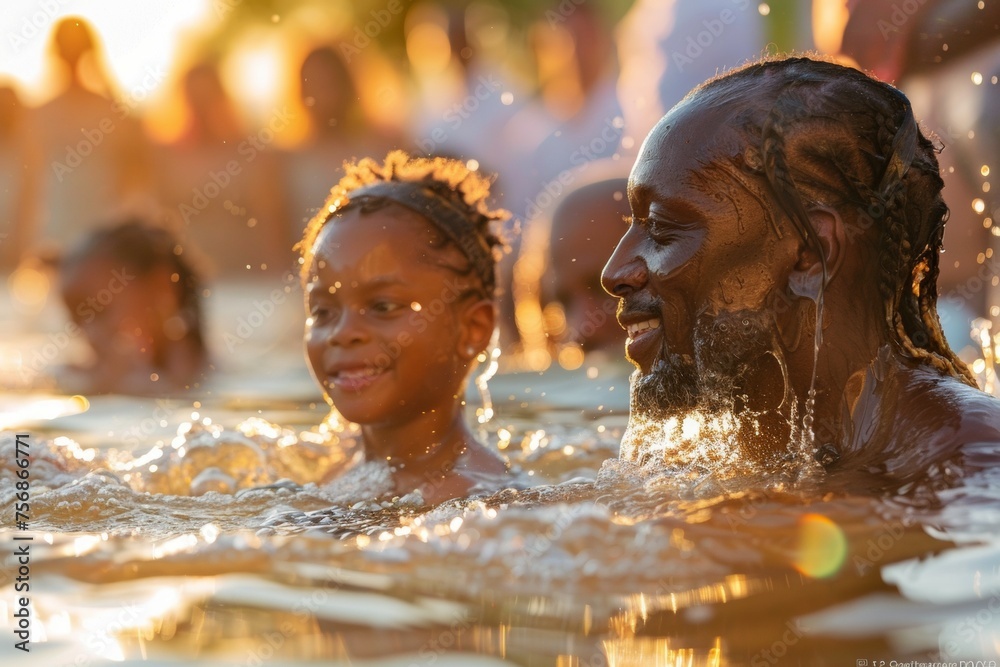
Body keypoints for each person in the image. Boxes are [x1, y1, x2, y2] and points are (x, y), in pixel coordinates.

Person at [600, 56, 1000, 491]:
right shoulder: (773, 442)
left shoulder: (971, 468)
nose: (615, 273)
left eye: (662, 227)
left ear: (811, 252)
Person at [298, 151, 511, 504]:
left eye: (382, 306)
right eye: (322, 311)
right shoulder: (333, 464)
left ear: (472, 329)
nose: (342, 332)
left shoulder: (475, 500)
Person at [59, 220, 209, 395]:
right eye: (74, 316)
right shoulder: (82, 374)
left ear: (159, 287)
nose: (88, 331)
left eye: (99, 310)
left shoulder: (205, 380)